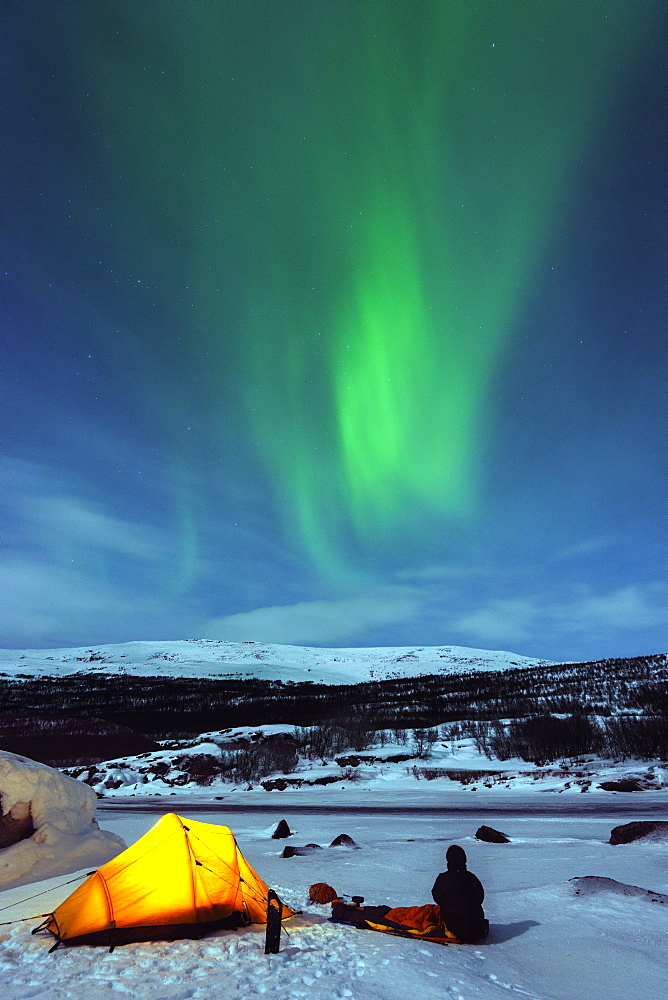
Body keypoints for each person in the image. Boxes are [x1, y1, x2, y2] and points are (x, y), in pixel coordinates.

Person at [431, 844, 488, 943]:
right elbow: (480, 898)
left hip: (455, 929)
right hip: (477, 928)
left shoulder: (443, 879)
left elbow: (437, 897)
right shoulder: (471, 878)